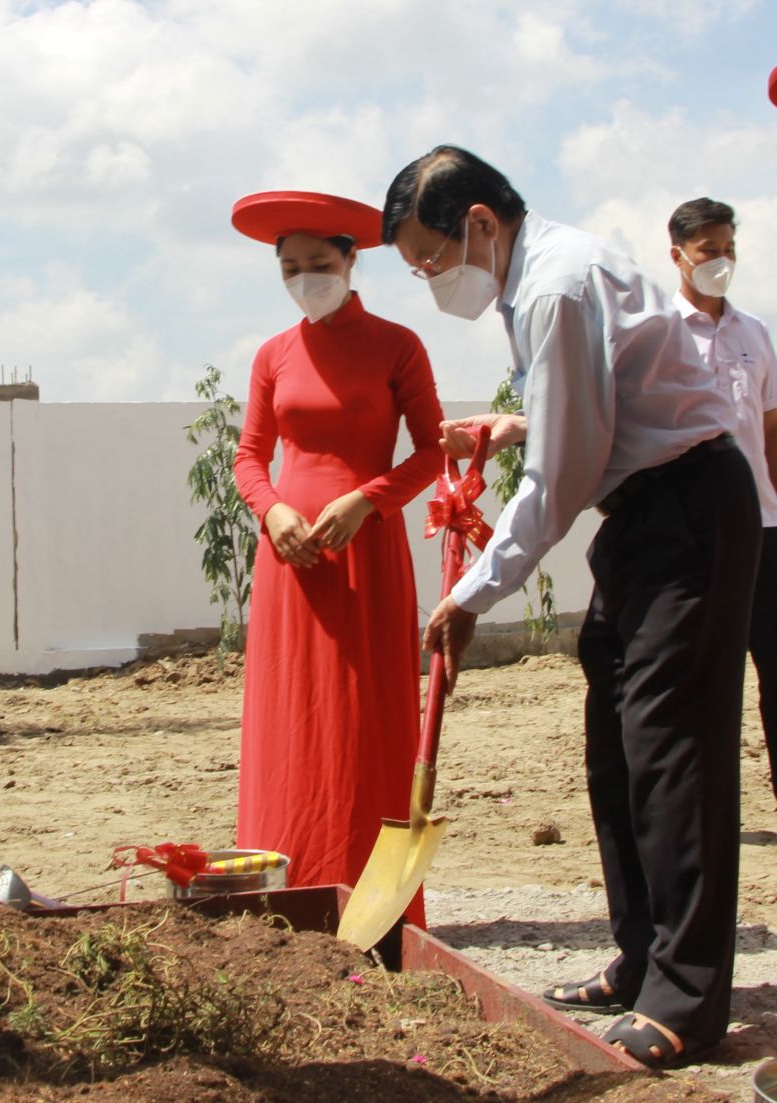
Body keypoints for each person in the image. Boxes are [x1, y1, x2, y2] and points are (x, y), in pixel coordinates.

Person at [382, 145, 757, 1068]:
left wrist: (472, 595)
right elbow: (593, 410)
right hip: (641, 516)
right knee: (617, 744)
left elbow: (563, 474)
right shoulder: (541, 283)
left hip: (688, 509)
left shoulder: (555, 286)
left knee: (673, 751)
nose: (433, 281)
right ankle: (642, 955)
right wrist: (512, 425)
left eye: (431, 260)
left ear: (479, 222)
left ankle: (688, 997)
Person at [229, 191, 444, 927]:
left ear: (353, 259)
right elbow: (249, 456)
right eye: (291, 267)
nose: (306, 276)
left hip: (366, 554)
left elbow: (432, 451)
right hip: (290, 562)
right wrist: (274, 509)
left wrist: (368, 501)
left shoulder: (397, 345)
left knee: (365, 716)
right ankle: (286, 883)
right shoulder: (272, 355)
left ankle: (373, 896)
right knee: (291, 716)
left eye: (321, 263)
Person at [667, 197, 777, 800]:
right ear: (678, 254)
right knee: (707, 680)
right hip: (695, 538)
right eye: (709, 250)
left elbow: (771, 430)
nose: (721, 260)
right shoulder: (658, 335)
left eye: (729, 248)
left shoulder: (754, 333)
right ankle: (707, 810)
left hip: (764, 530)